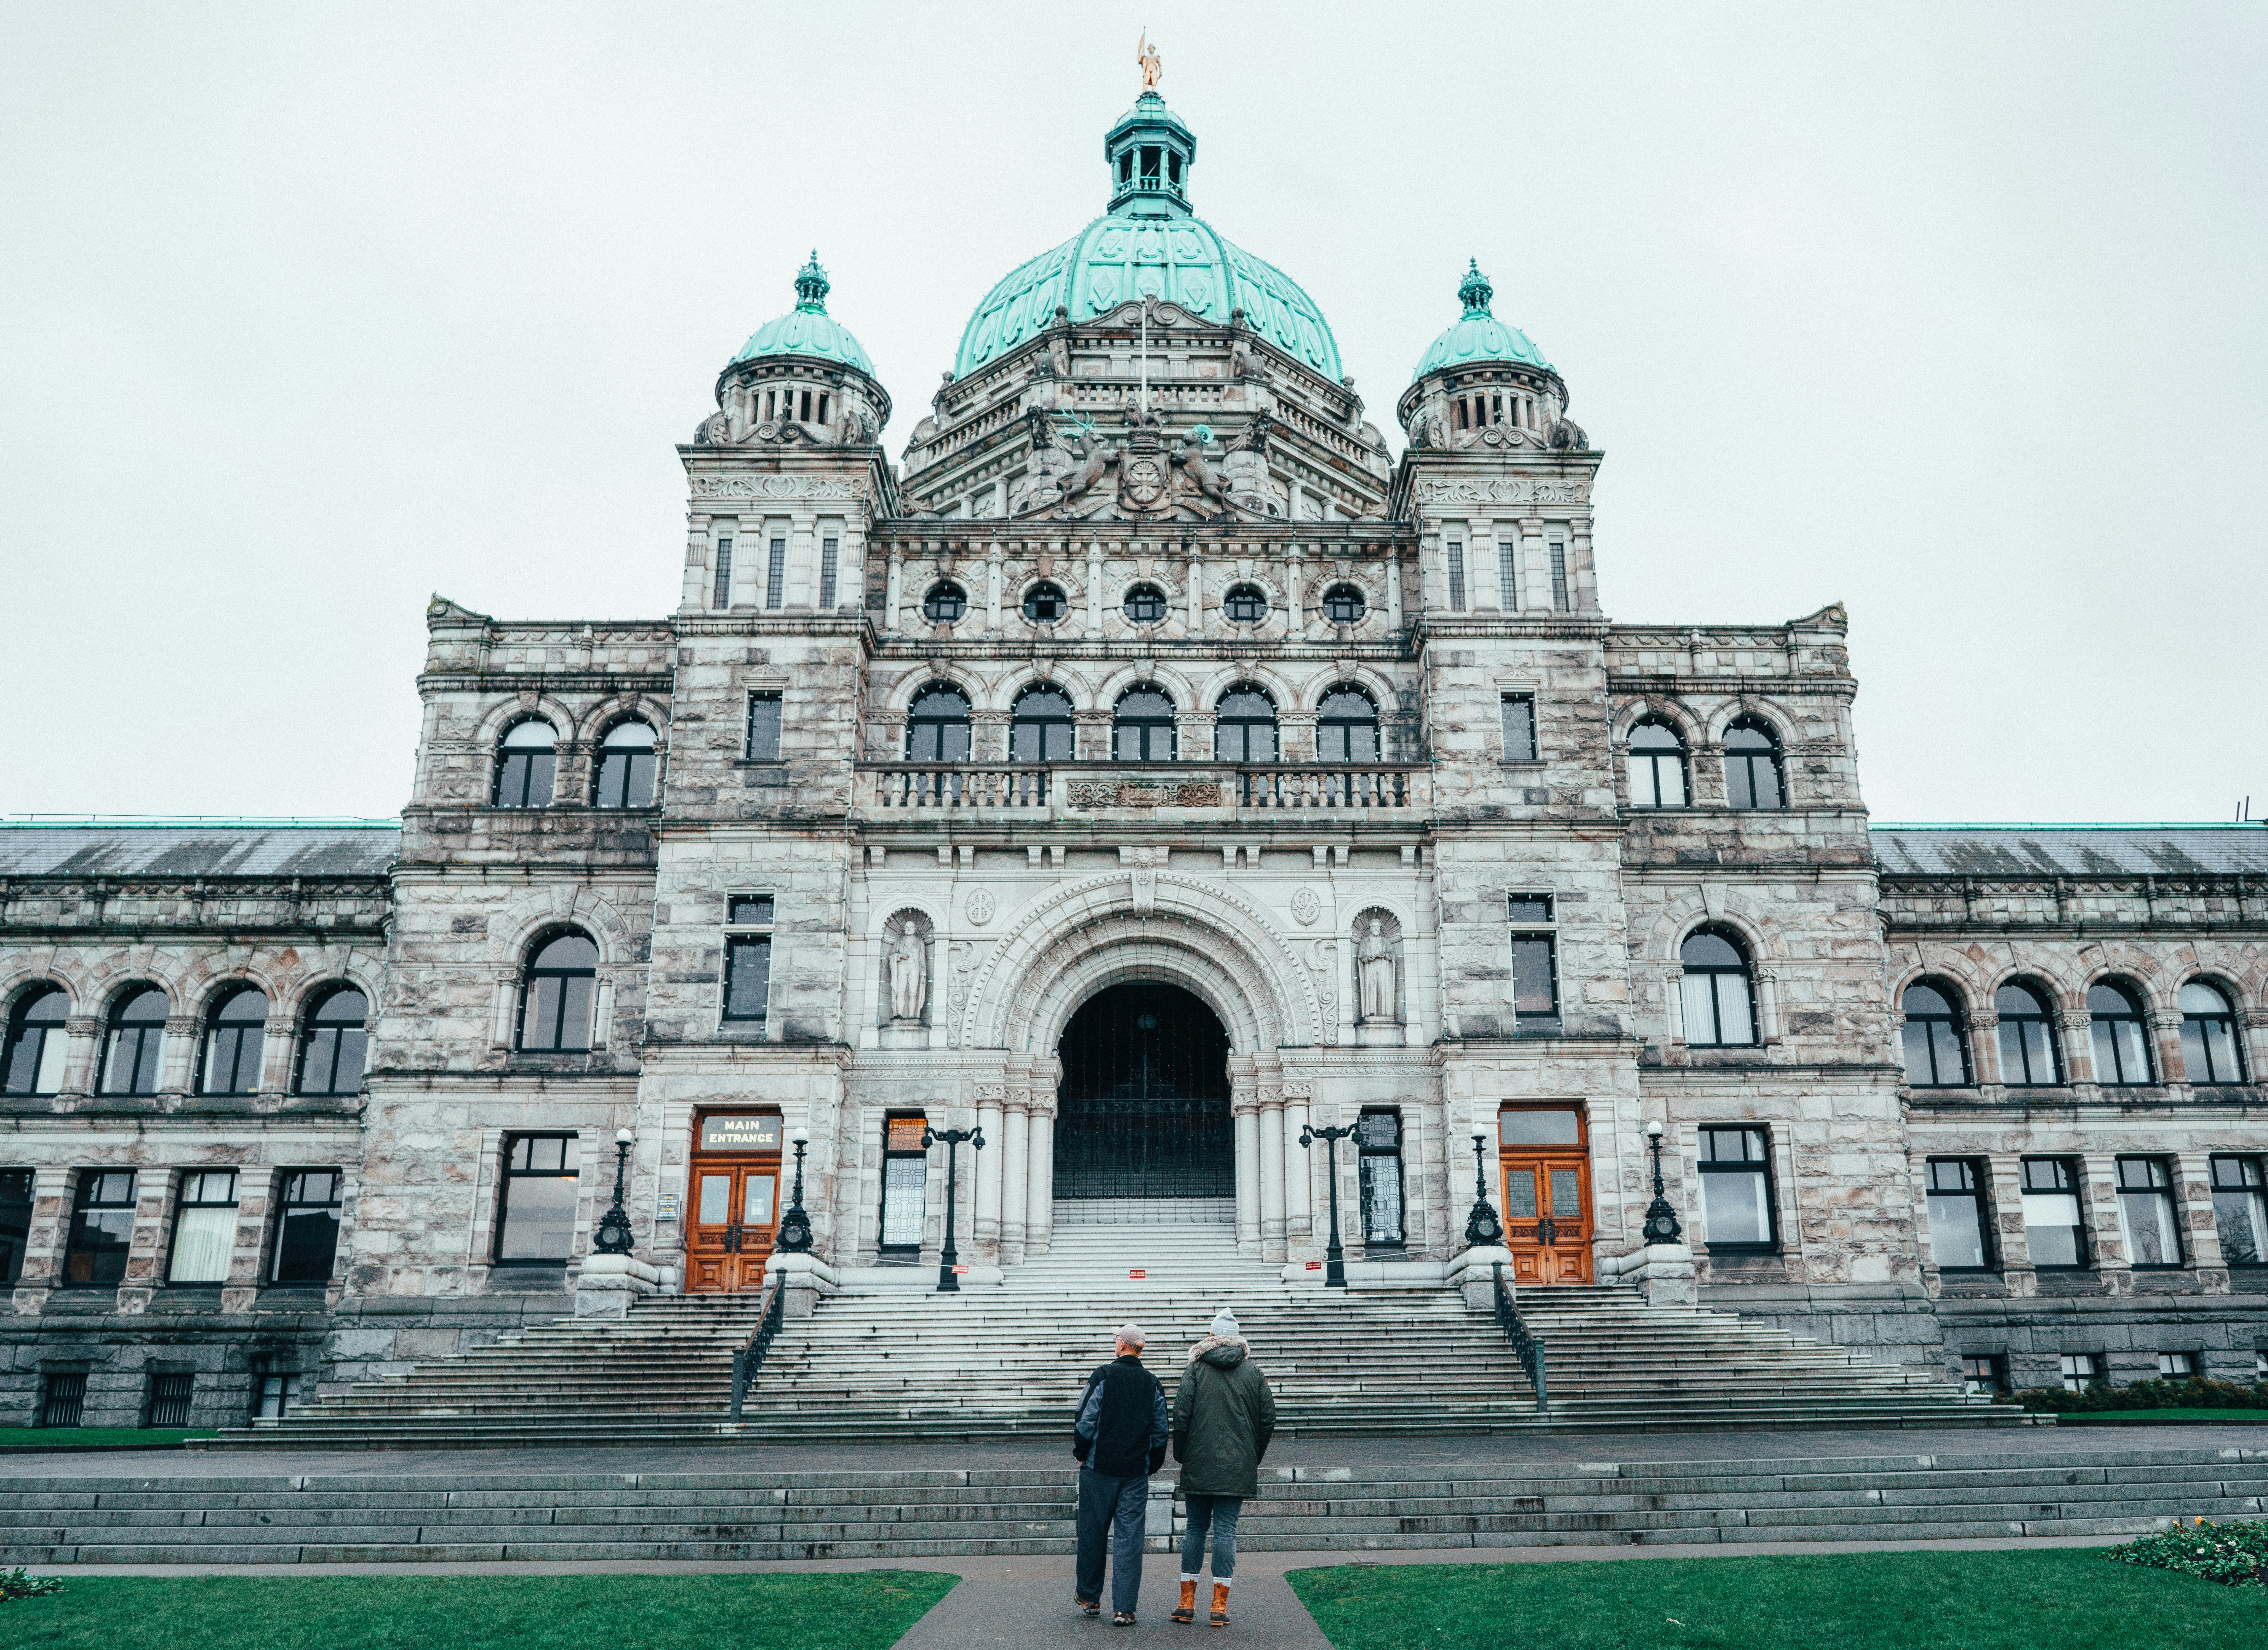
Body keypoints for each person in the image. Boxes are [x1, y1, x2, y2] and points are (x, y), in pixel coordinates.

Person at [1170, 1307, 1276, 1629]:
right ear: (1238, 1339)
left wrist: (1182, 1454)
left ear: (1212, 1336)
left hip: (1199, 1462)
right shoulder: (1253, 1372)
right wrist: (1251, 1456)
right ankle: (1219, 1605)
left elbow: (1180, 1416)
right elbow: (1267, 1420)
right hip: (1237, 1466)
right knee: (1226, 1530)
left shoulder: (1196, 1369)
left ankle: (1186, 1602)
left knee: (1195, 1528)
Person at [1073, 1320, 1169, 1626]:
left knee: (1093, 1533)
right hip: (1134, 1472)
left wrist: (1080, 1453)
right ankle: (1124, 1609)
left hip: (1098, 1469)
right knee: (1129, 1540)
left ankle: (1089, 1597)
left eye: (1117, 1339)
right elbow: (1161, 1430)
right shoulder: (1152, 1383)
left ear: (1122, 1346)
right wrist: (1151, 1464)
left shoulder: (1103, 1375)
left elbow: (1084, 1418)